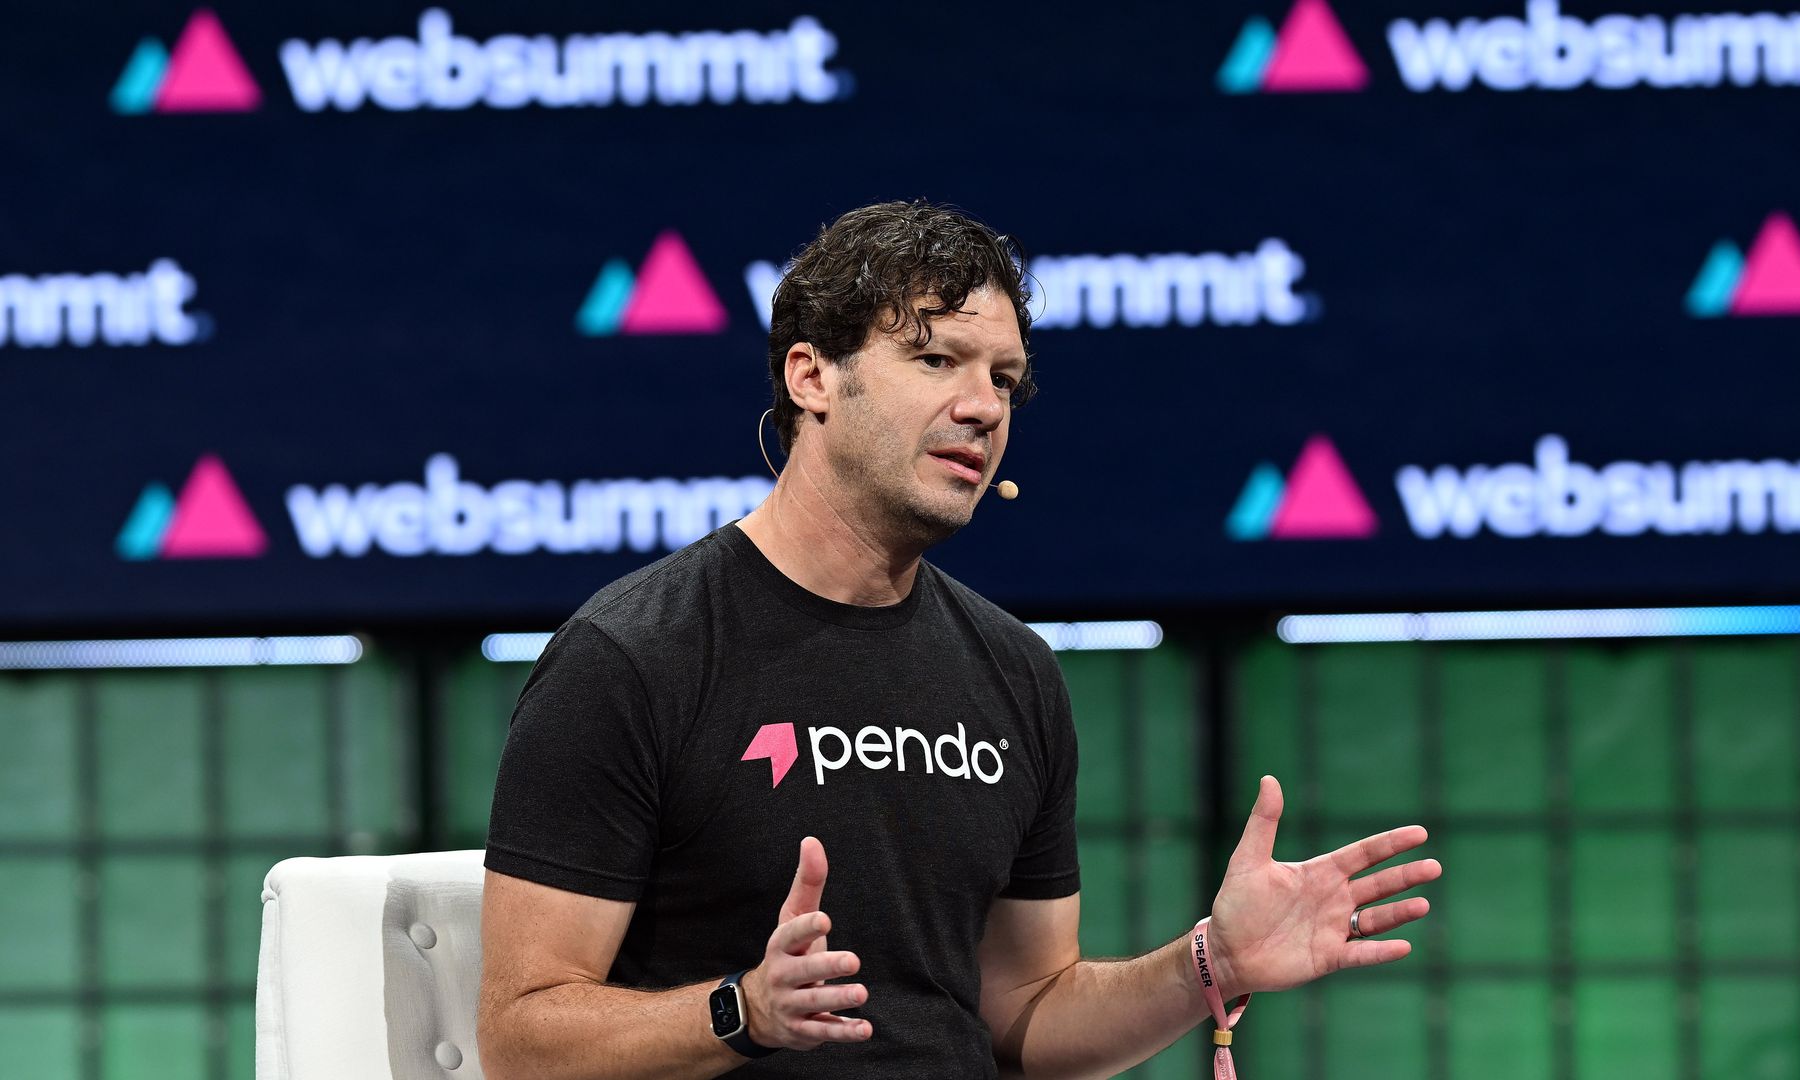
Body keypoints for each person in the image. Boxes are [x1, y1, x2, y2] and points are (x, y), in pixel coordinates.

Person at [475, 200, 1441, 1079]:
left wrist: (1210, 964)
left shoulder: (1013, 671)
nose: (984, 407)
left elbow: (1026, 1015)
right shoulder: (634, 656)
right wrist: (741, 1012)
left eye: (1004, 380)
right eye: (936, 360)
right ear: (813, 376)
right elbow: (521, 1038)